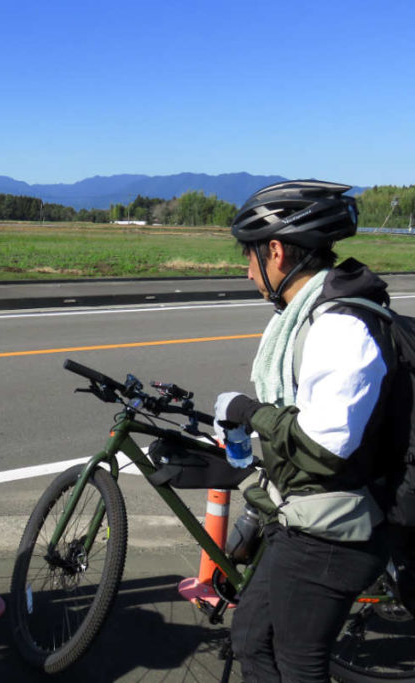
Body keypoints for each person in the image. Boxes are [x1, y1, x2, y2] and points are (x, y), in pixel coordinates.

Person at [213, 180, 392, 682]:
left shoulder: (339, 325)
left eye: (249, 255)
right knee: (252, 638)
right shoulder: (306, 315)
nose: (247, 270)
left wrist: (249, 411)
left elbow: (324, 447)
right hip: (303, 517)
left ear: (275, 251)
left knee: (297, 661)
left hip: (334, 531)